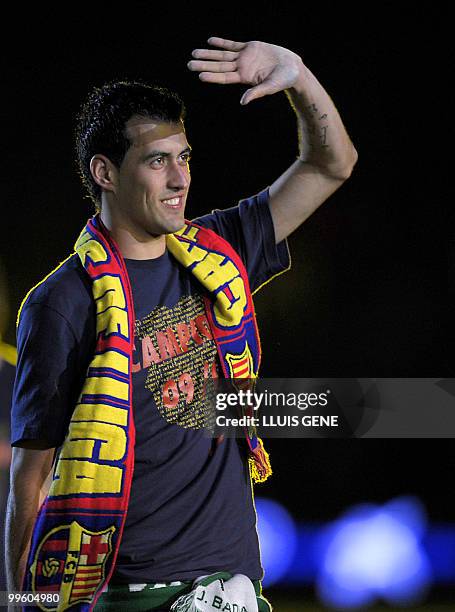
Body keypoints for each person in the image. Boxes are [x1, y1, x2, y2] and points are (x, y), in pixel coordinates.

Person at [6, 36, 357, 611]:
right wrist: (20, 600)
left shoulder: (221, 249)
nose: (180, 179)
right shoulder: (61, 303)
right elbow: (32, 474)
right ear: (106, 173)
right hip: (134, 596)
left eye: (185, 157)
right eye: (156, 160)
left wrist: (297, 75)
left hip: (237, 588)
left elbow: (332, 164)